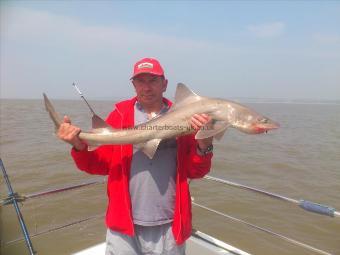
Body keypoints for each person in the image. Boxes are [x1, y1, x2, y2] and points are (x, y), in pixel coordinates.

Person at [57, 57, 214, 255]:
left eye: (153, 80)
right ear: (133, 84)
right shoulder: (120, 115)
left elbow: (196, 171)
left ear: (164, 84)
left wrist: (205, 143)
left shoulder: (186, 117)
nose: (146, 87)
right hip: (124, 226)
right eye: (141, 81)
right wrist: (78, 146)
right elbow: (98, 165)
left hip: (170, 224)